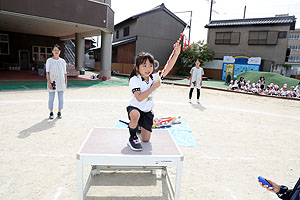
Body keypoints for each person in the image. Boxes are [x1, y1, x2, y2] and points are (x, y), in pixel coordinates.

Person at [126, 42, 181, 151]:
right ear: (137, 68)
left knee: (146, 139)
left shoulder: (154, 77)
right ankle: (132, 137)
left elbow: (167, 68)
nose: (148, 68)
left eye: (150, 65)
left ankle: (138, 126)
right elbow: (139, 98)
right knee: (135, 114)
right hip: (135, 107)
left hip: (147, 110)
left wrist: (176, 54)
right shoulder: (134, 80)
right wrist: (153, 87)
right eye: (144, 65)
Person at [46, 44, 67, 119]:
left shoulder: (63, 61)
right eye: (55, 50)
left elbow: (65, 73)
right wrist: (49, 82)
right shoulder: (49, 61)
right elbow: (47, 72)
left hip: (61, 81)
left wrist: (65, 82)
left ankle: (59, 112)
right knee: (51, 98)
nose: (56, 51)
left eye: (58, 50)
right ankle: (51, 112)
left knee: (61, 98)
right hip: (53, 82)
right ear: (52, 51)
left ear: (60, 51)